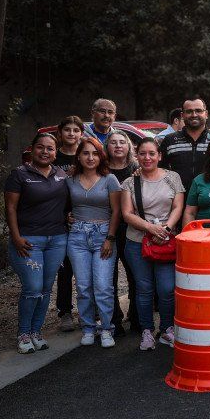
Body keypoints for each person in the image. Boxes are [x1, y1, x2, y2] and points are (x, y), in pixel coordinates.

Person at [5, 133, 69, 354]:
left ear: (55, 152)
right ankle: (23, 333)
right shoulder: (19, 174)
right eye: (40, 147)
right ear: (31, 149)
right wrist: (15, 237)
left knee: (44, 288)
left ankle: (36, 332)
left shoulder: (61, 175)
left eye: (50, 148)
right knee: (32, 288)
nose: (45, 152)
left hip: (57, 240)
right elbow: (11, 208)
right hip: (28, 240)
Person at [121, 138, 185, 351]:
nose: (147, 158)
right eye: (142, 154)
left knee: (167, 289)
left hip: (166, 241)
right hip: (137, 242)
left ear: (159, 156)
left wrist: (165, 229)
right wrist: (151, 229)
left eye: (151, 153)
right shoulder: (130, 182)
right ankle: (147, 330)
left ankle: (167, 329)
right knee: (144, 288)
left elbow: (178, 206)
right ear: (136, 156)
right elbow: (127, 213)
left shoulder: (172, 178)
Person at [66, 138, 122, 348]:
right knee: (83, 287)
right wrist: (67, 217)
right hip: (78, 235)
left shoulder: (110, 179)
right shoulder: (70, 180)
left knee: (103, 286)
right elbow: (63, 206)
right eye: (86, 153)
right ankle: (88, 328)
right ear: (78, 156)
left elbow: (116, 211)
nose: (90, 158)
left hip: (103, 235)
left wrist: (110, 237)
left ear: (101, 156)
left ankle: (106, 328)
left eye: (95, 153)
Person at [105, 130, 139, 335]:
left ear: (128, 147)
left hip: (131, 228)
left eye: (122, 142)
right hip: (106, 228)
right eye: (113, 142)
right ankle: (114, 319)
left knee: (135, 274)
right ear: (106, 147)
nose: (118, 146)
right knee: (108, 277)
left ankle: (135, 316)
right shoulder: (100, 169)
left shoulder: (137, 169)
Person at [53, 116, 84, 332]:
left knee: (85, 270)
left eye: (76, 130)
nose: (71, 134)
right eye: (67, 130)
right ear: (60, 133)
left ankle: (87, 311)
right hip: (59, 218)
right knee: (65, 270)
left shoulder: (86, 155)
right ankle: (65, 312)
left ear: (81, 134)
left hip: (84, 216)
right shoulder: (54, 156)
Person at [159, 98, 210, 192]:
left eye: (198, 111)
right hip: (177, 200)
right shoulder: (169, 140)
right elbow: (159, 170)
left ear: (206, 114)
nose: (194, 115)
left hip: (209, 200)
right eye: (189, 111)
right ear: (182, 115)